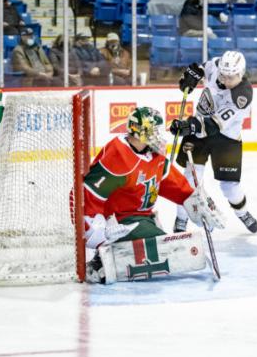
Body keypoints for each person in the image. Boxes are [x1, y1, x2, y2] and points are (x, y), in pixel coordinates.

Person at [82, 107, 224, 283]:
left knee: (165, 246)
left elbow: (170, 182)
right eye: (153, 131)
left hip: (141, 217)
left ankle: (115, 254)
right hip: (121, 222)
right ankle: (102, 262)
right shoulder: (118, 155)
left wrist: (194, 201)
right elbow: (88, 193)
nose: (157, 136)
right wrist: (98, 232)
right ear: (139, 131)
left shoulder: (152, 154)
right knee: (168, 249)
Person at [169, 51, 257, 234]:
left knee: (230, 187)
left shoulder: (242, 96)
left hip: (226, 138)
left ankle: (242, 212)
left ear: (241, 74)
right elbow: (204, 66)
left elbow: (213, 126)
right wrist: (193, 74)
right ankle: (181, 218)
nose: (225, 80)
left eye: (231, 77)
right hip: (198, 133)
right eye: (223, 75)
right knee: (190, 179)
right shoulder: (218, 65)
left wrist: (187, 127)